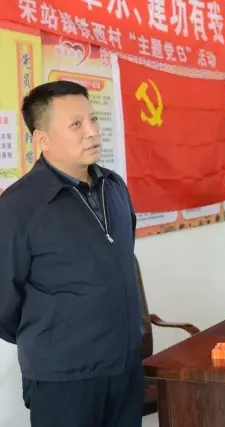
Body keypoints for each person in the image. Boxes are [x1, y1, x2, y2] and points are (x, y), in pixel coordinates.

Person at [0, 81, 144, 427]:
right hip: (63, 379)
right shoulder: (19, 206)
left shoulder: (114, 187)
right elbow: (4, 303)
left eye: (93, 119)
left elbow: (121, 259)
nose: (92, 131)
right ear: (43, 139)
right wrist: (53, 334)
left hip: (124, 369)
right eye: (76, 124)